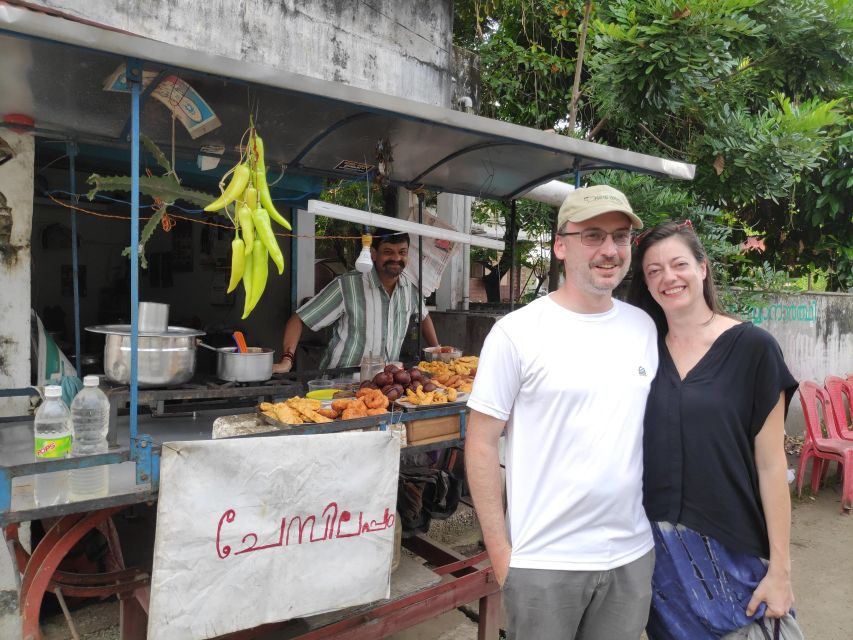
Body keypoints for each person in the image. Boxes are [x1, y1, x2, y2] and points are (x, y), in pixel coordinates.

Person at [465, 185, 658, 640]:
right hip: (544, 562)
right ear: (560, 245)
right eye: (592, 235)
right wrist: (501, 554)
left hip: (630, 556)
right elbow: (480, 441)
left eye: (620, 237)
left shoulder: (643, 327)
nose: (609, 250)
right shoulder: (516, 333)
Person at [626, 221, 802, 640]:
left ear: (702, 268)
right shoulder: (639, 350)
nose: (668, 277)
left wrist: (781, 571)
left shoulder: (753, 348)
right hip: (657, 556)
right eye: (653, 271)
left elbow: (772, 466)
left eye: (679, 264)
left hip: (733, 548)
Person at [272, 230, 439, 372]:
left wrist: (438, 352)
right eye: (388, 252)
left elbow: (424, 317)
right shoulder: (348, 285)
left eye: (402, 252)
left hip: (384, 384)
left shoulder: (409, 289)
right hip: (341, 382)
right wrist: (287, 360)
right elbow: (300, 318)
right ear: (373, 254)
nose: (396, 258)